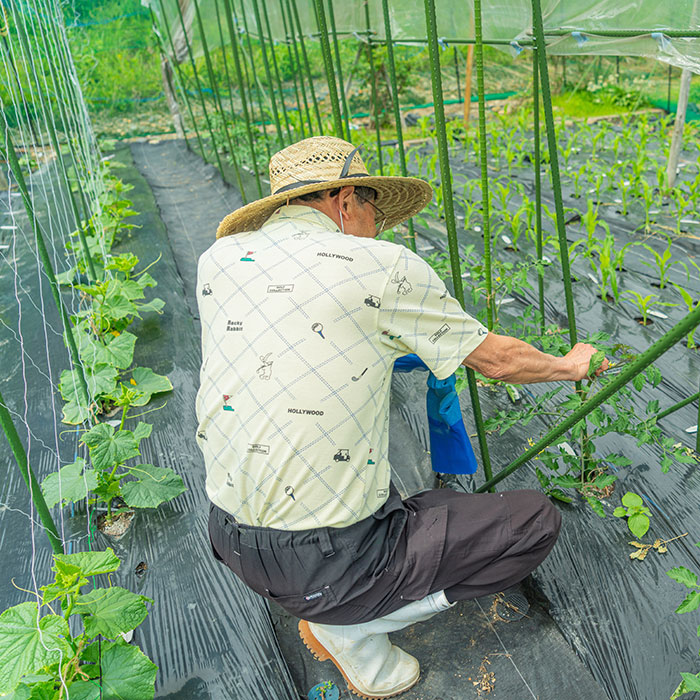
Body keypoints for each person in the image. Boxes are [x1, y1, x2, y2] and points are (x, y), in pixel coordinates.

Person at [197, 136, 608, 699]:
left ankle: (341, 597)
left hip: (227, 537)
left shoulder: (219, 260)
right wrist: (569, 366)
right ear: (345, 203)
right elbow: (497, 360)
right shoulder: (380, 266)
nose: (378, 229)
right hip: (324, 561)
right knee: (532, 520)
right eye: (373, 212)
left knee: (420, 498)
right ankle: (355, 629)